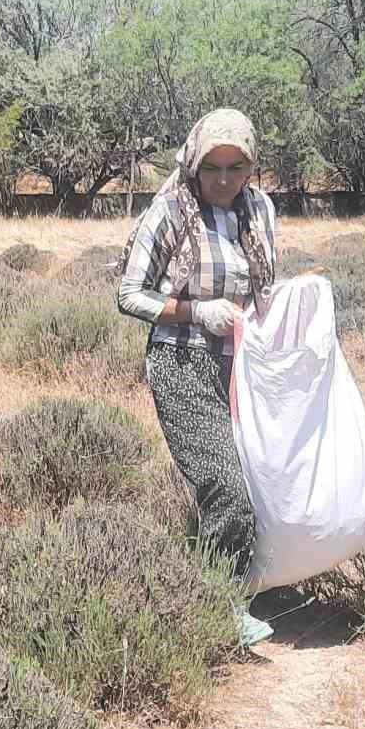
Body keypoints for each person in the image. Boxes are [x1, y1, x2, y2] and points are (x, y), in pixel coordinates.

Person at [115, 108, 279, 647]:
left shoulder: (260, 211)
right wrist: (194, 310)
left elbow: (264, 286)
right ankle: (220, 607)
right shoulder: (169, 212)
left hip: (243, 367)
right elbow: (130, 294)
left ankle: (256, 581)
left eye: (237, 167)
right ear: (194, 163)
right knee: (225, 486)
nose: (225, 180)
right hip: (181, 363)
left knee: (262, 480)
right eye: (214, 167)